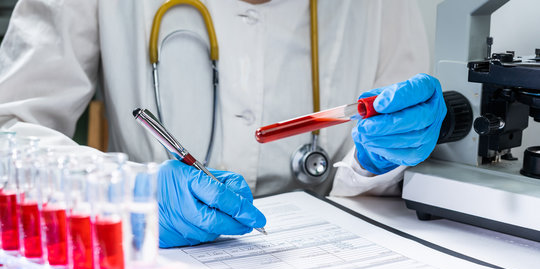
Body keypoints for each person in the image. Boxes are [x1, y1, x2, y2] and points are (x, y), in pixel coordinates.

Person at [0, 0, 446, 247]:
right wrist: (123, 196)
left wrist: (377, 161)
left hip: (326, 259)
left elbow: (399, 143)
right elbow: (7, 134)